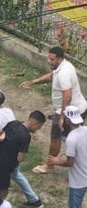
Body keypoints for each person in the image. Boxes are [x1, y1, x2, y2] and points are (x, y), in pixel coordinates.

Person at [20, 46, 87, 174]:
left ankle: (49, 166)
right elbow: (51, 76)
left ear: (60, 59)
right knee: (77, 138)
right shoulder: (62, 66)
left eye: (52, 59)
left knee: (56, 138)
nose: (48, 61)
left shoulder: (63, 73)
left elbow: (67, 96)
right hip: (79, 108)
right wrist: (34, 81)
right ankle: (81, 163)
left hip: (70, 111)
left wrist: (62, 117)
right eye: (48, 58)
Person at [0, 87, 43, 208]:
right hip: (12, 152)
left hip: (2, 154)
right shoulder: (8, 111)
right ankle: (34, 199)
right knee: (15, 175)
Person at [47, 105, 87, 208]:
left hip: (78, 180)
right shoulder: (85, 130)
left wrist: (57, 161)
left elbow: (70, 162)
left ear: (68, 120)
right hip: (85, 175)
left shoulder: (71, 138)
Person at [0, 111, 46, 198]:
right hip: (4, 166)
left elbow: (1, 136)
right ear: (35, 123)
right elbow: (20, 157)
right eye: (39, 126)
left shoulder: (13, 123)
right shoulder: (25, 136)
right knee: (3, 190)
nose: (38, 129)